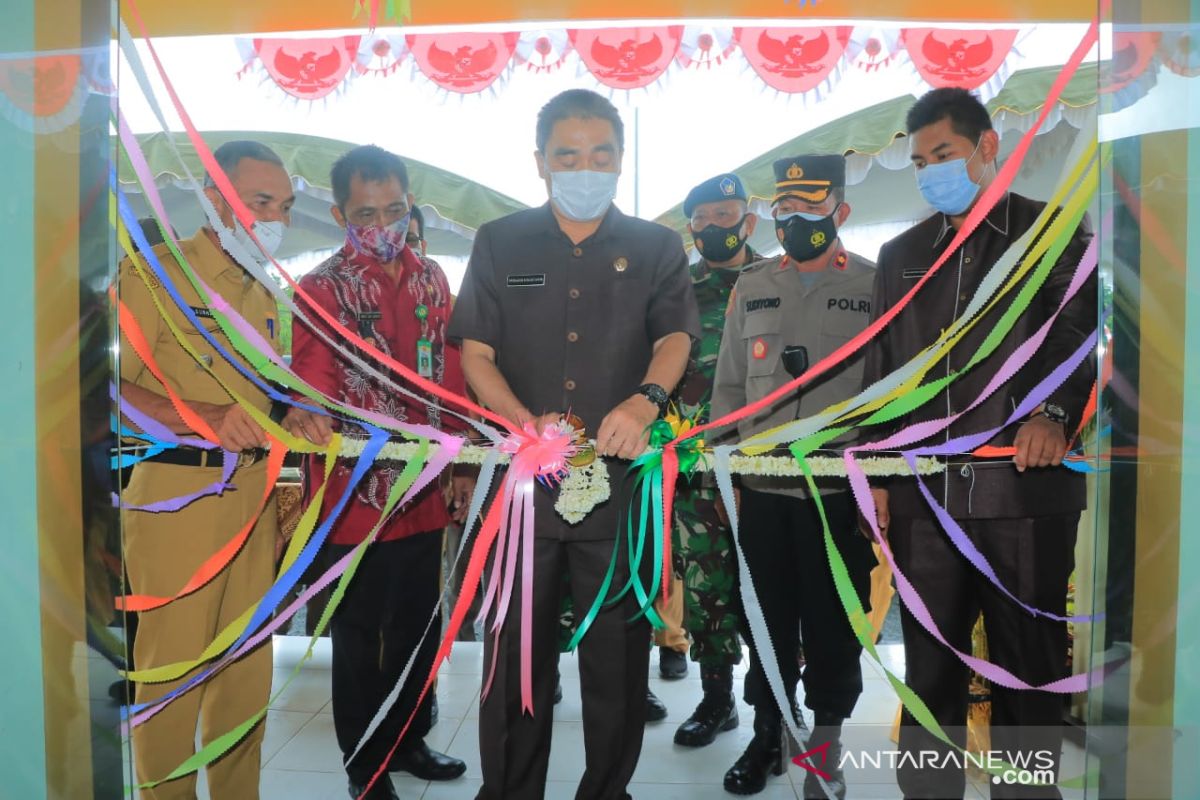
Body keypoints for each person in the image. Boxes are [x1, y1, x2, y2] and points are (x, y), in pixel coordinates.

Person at [448, 88, 700, 800]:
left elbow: (676, 336)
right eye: (568, 155)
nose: (585, 168)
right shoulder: (501, 241)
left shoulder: (656, 246)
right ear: (540, 162)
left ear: (621, 161)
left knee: (617, 659)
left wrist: (646, 400)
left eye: (601, 155)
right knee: (514, 657)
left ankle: (605, 790)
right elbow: (475, 353)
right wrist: (525, 427)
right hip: (524, 490)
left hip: (619, 487)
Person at [861, 87, 1095, 800]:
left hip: (1022, 489)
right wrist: (874, 468)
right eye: (922, 160)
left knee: (1028, 669)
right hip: (923, 496)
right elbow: (885, 368)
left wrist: (1051, 415)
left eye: (946, 154)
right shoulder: (901, 254)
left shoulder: (1052, 234)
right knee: (930, 670)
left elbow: (1074, 333)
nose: (933, 170)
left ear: (988, 147)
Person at [285, 144, 471, 800]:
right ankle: (364, 767)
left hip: (425, 490)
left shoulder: (433, 280)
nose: (384, 222)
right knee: (359, 636)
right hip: (353, 498)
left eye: (396, 209)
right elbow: (312, 376)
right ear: (339, 213)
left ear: (411, 205)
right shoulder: (321, 287)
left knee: (420, 624)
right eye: (367, 212)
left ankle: (411, 736)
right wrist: (308, 410)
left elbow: (450, 380)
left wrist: (463, 459)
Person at [118, 140, 293, 799]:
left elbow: (263, 398)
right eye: (260, 203)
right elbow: (104, 391)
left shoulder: (265, 295)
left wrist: (291, 418)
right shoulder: (154, 276)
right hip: (176, 496)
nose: (274, 218)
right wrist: (203, 416)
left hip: (252, 496)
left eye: (284, 206)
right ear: (216, 200)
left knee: (245, 677)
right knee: (172, 677)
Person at [711, 154, 877, 798]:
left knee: (834, 620)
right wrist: (726, 477)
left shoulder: (872, 284)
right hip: (762, 495)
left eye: (810, 206)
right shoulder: (751, 286)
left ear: (841, 210)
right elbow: (728, 390)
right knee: (766, 619)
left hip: (837, 493)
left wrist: (876, 487)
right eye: (784, 207)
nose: (795, 218)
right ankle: (768, 733)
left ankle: (826, 744)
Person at [669, 172, 764, 748]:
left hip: (766, 467)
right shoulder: (678, 290)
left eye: (724, 217)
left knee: (771, 583)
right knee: (706, 584)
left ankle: (776, 702)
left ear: (748, 222)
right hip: (696, 468)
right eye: (701, 220)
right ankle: (717, 700)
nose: (712, 229)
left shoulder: (781, 280)